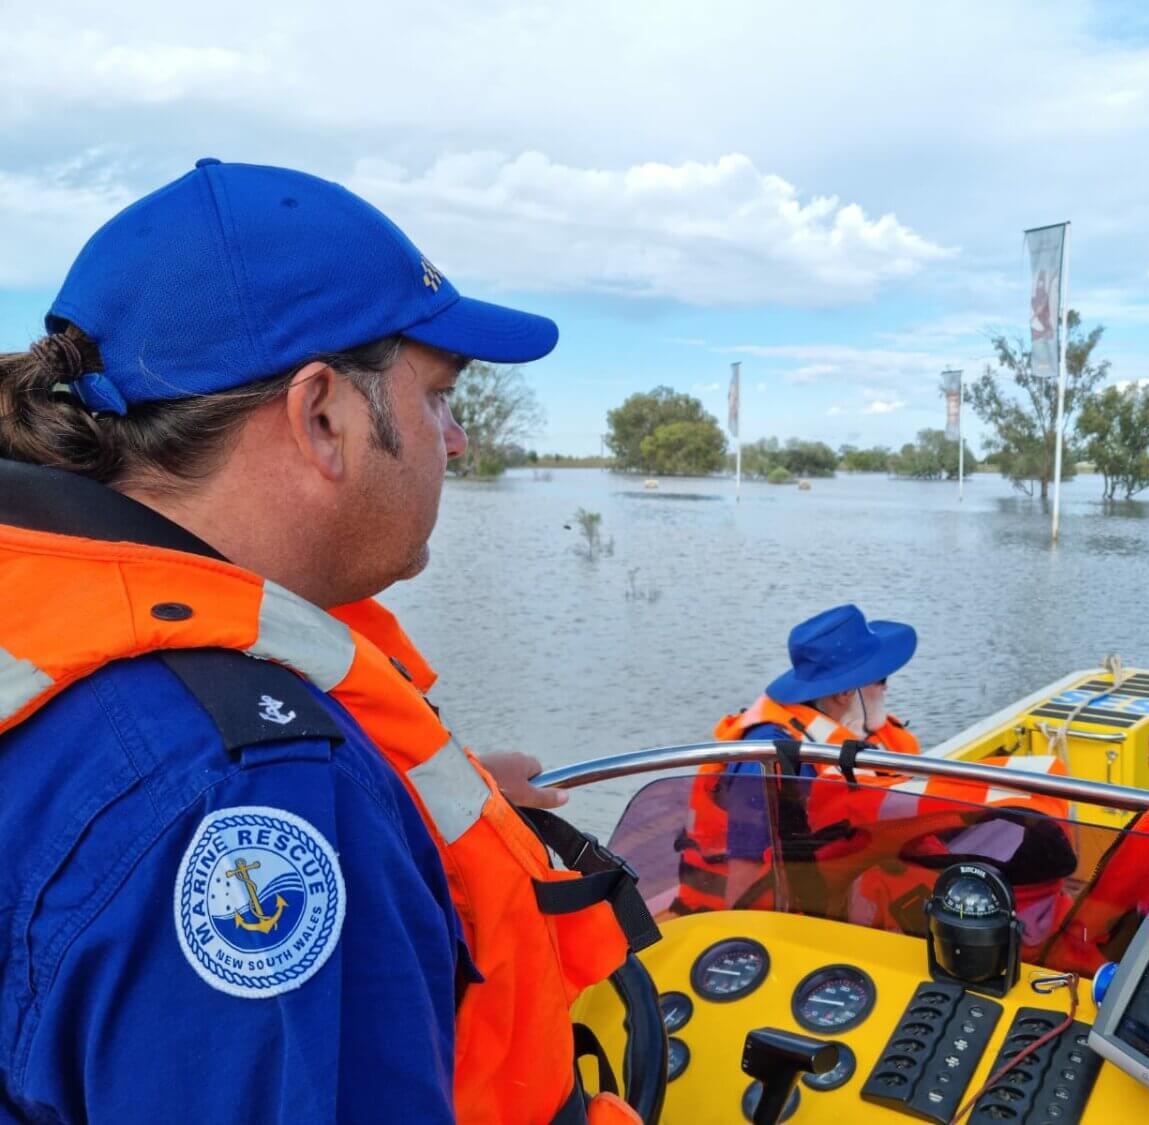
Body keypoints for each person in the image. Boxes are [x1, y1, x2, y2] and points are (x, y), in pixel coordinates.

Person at [0, 160, 643, 1123]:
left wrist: (405, 819)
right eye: (435, 397)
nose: (457, 440)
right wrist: (340, 816)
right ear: (323, 417)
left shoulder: (59, 632)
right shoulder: (254, 787)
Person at [677, 604, 1075, 928]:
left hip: (833, 888)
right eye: (879, 677)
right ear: (844, 693)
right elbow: (744, 890)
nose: (887, 686)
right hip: (758, 921)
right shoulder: (764, 764)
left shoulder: (841, 730)